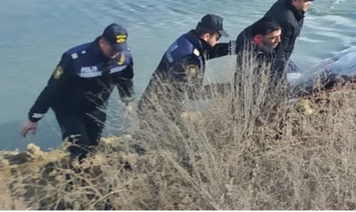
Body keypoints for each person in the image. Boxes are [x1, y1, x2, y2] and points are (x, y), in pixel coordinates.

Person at [21, 24, 135, 162]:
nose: (116, 53)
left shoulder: (124, 56)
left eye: (119, 49)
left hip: (97, 106)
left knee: (93, 145)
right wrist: (33, 118)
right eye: (112, 49)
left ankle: (85, 173)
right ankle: (72, 181)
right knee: (79, 148)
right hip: (69, 109)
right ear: (102, 42)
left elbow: (125, 79)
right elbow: (52, 88)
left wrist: (127, 101)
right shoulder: (75, 59)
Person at [138, 14, 232, 117]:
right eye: (217, 38)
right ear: (206, 36)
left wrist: (235, 47)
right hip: (157, 111)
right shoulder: (190, 59)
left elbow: (208, 52)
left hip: (150, 101)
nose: (218, 42)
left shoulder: (187, 39)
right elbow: (193, 92)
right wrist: (225, 88)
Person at [246, 0, 317, 72]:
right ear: (295, 1)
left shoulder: (286, 1)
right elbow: (279, 53)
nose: (309, 3)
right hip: (266, 52)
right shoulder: (288, 22)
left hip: (258, 42)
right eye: (306, 0)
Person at [234, 20, 286, 87]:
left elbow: (278, 57)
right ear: (258, 38)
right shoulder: (246, 48)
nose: (279, 40)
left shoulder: (274, 39)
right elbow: (242, 75)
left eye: (279, 36)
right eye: (273, 38)